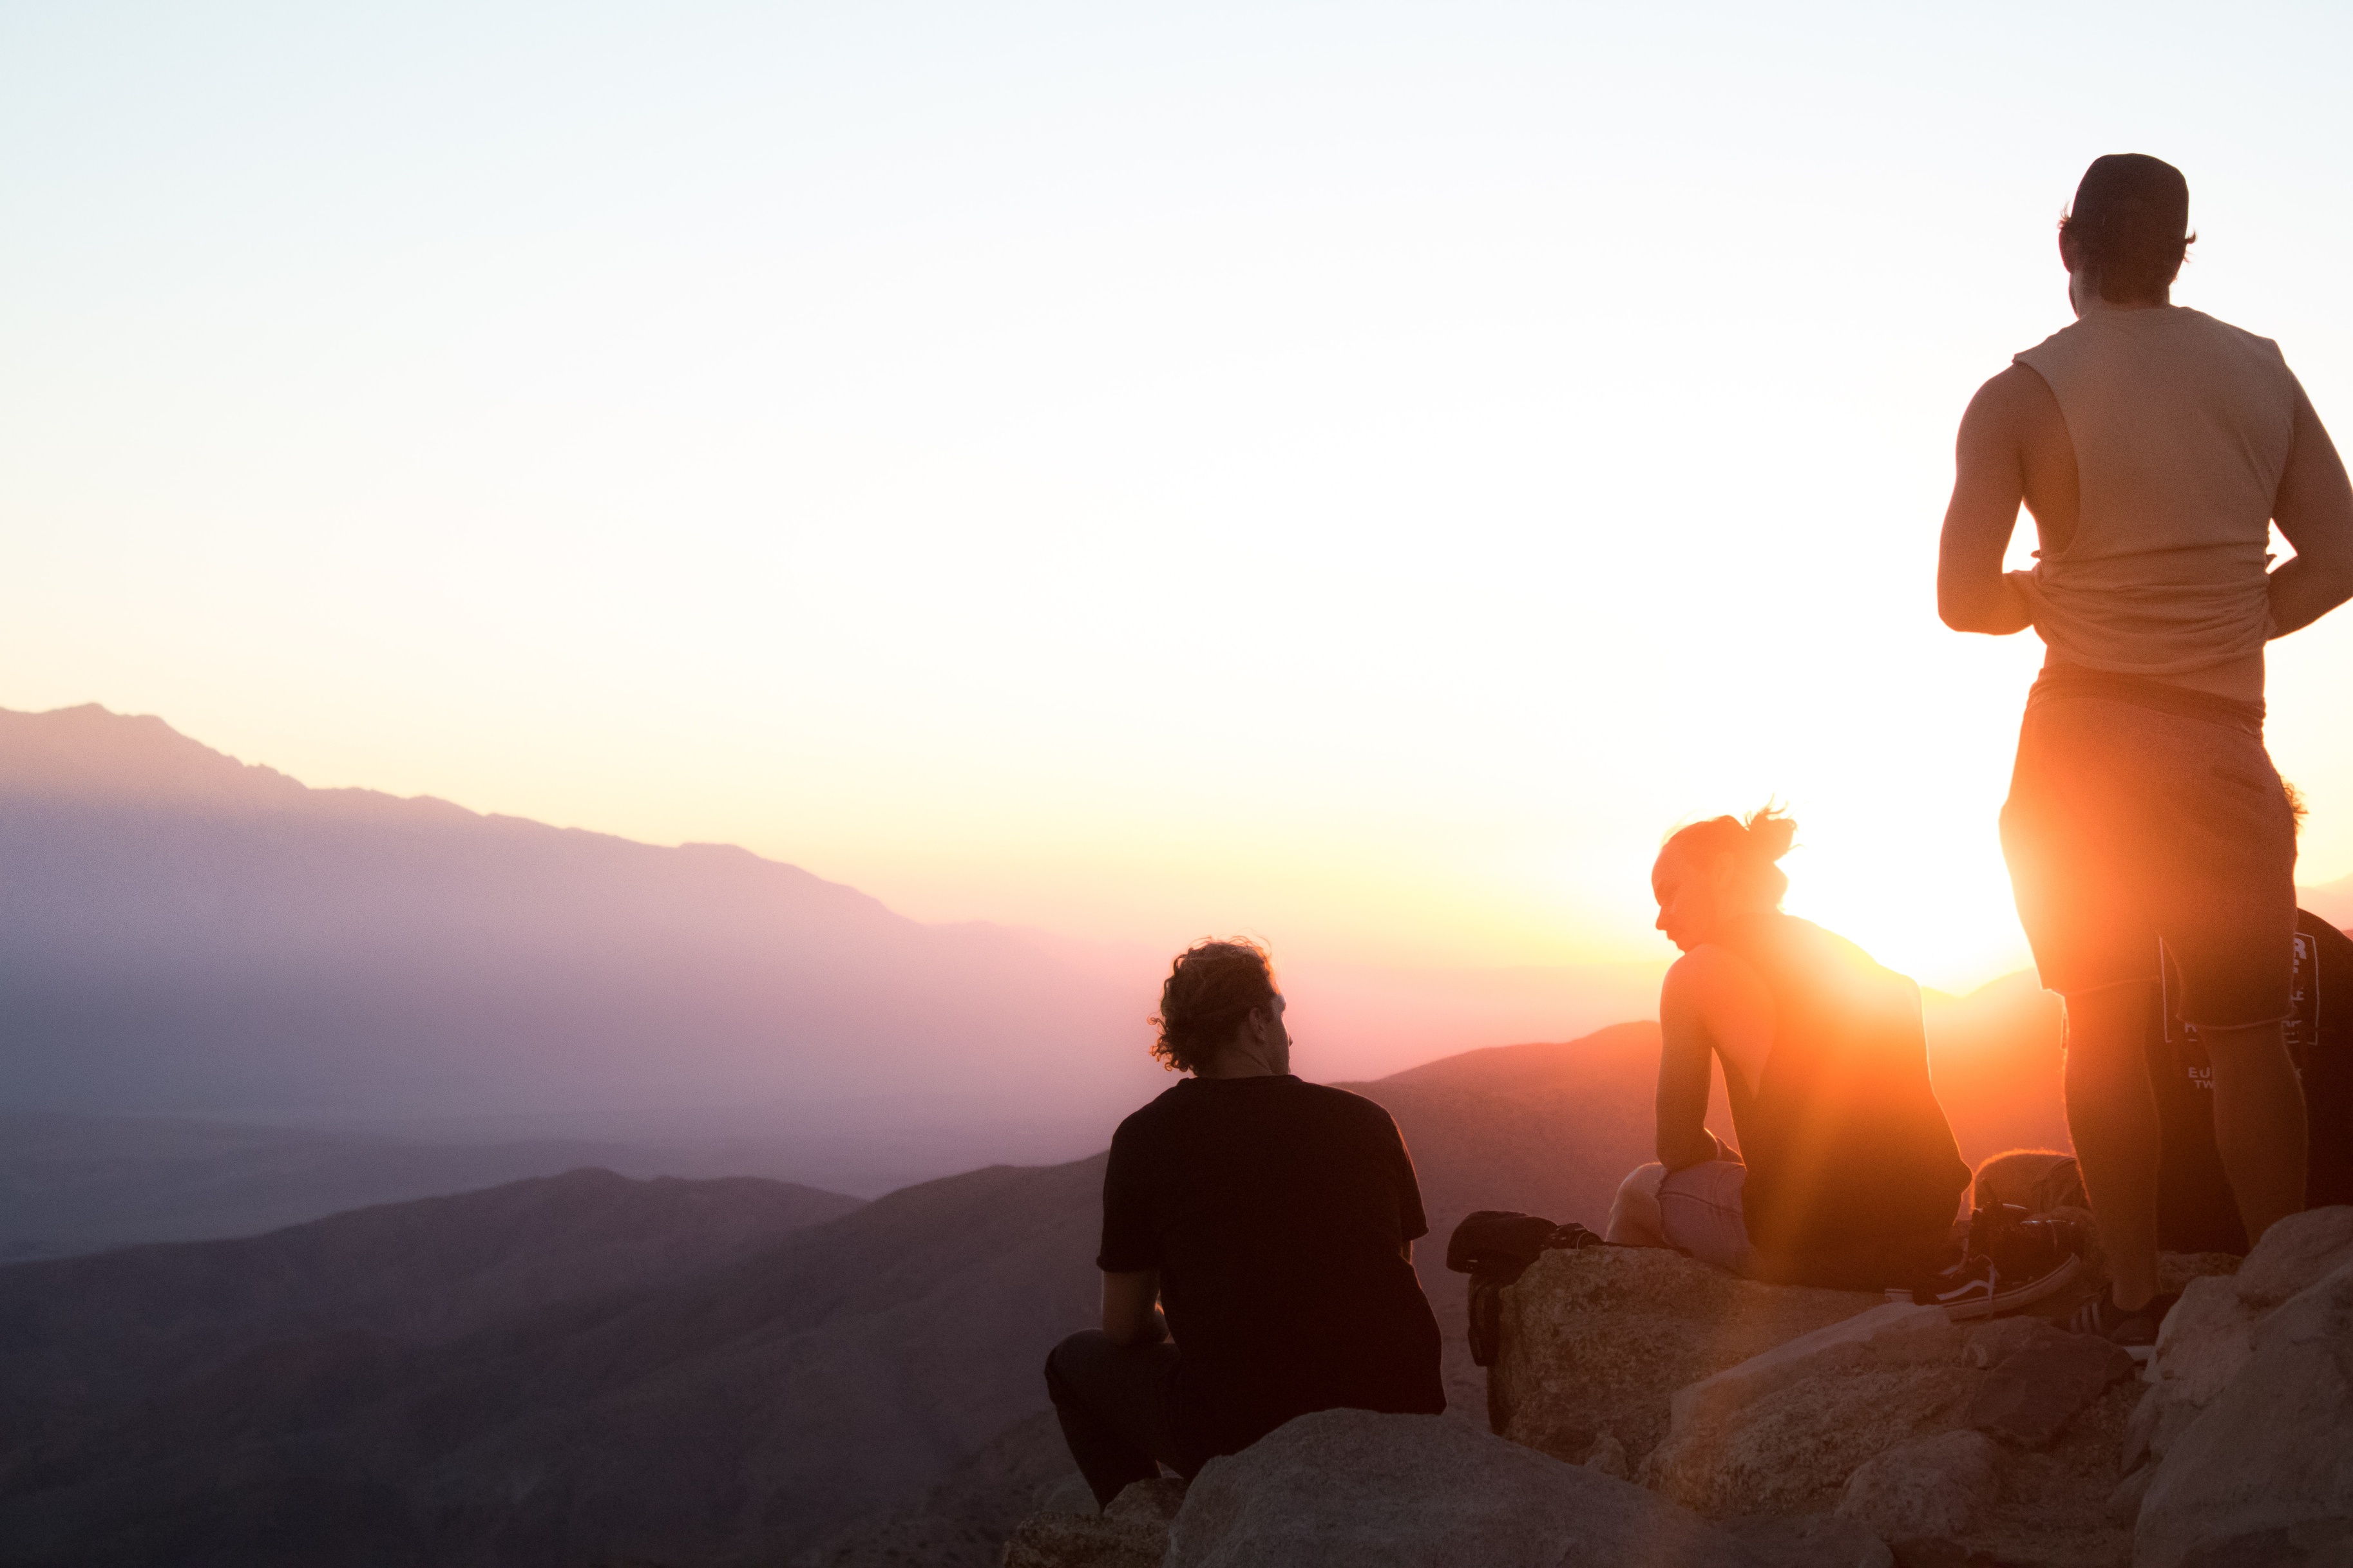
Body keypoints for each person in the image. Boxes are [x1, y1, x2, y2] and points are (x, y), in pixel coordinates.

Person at [1936, 153, 2353, 1343]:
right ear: (2179, 251)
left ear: (2068, 243)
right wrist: (2226, 620)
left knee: (2103, 1026)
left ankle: (2129, 1295)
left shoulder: (2017, 396)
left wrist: (2056, 595)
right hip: (2219, 739)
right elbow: (2333, 559)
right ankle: (2279, 1304)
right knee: (2247, 1037)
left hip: (2079, 742)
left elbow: (1962, 600)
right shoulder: (2259, 373)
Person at [1043, 938, 1444, 1508]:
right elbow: (1392, 1273)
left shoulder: (1147, 1139)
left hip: (1248, 1432)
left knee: (1069, 1364)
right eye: (1280, 1015)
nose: (1289, 1033)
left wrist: (1186, 1326)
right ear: (1256, 1023)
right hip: (1401, 1408)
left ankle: (1144, 1533)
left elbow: (1123, 1328)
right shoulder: (1366, 1121)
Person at [1605, 809, 1972, 1292]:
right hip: (1933, 1230)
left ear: (1721, 870)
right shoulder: (1861, 962)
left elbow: (1675, 1147)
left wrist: (1722, 1156)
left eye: (1669, 892)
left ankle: (1632, 1343)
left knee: (1638, 1191)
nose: (1660, 918)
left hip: (1820, 1247)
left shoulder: (1695, 972)